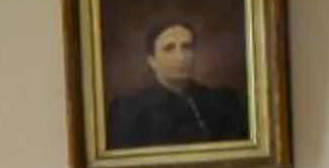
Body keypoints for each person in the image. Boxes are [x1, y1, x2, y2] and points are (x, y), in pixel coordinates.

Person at [104, 18, 248, 150]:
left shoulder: (224, 102)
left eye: (186, 47)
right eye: (169, 48)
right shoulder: (128, 109)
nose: (181, 57)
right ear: (152, 60)